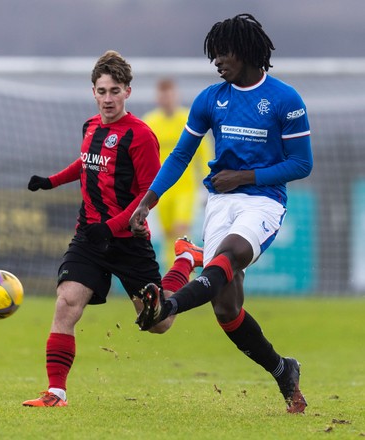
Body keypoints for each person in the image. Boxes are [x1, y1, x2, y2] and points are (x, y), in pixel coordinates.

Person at [129, 14, 313, 414]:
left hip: (263, 202)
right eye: (214, 55)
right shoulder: (211, 99)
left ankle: (170, 304)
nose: (216, 62)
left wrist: (247, 175)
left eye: (223, 53)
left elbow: (302, 164)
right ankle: (284, 371)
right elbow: (180, 154)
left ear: (246, 52)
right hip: (221, 203)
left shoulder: (285, 100)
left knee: (228, 256)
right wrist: (149, 199)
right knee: (226, 308)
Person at [22, 50, 203, 407]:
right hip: (90, 237)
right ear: (93, 92)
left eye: (114, 91)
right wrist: (51, 182)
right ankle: (56, 393)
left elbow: (147, 195)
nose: (107, 98)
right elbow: (86, 163)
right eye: (102, 91)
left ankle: (185, 260)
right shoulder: (90, 127)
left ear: (128, 93)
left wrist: (112, 226)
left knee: (157, 322)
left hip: (128, 242)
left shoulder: (141, 136)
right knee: (66, 304)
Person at [143, 79, 212, 269]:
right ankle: (171, 278)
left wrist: (208, 184)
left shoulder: (189, 119)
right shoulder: (150, 122)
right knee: (167, 236)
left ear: (176, 95)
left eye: (170, 94)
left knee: (181, 231)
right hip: (162, 190)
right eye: (163, 95)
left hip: (185, 189)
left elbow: (204, 154)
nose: (167, 99)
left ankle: (185, 279)